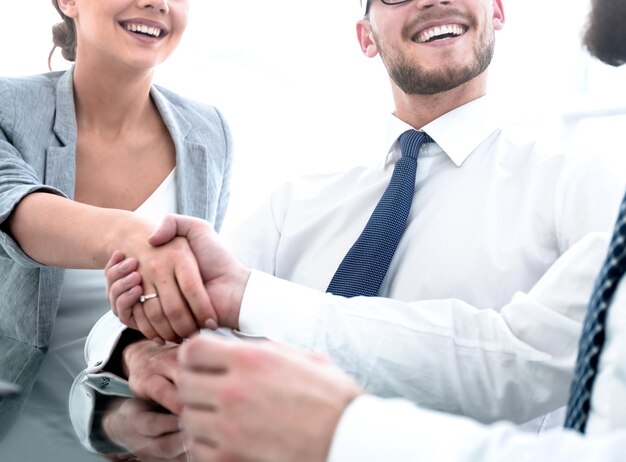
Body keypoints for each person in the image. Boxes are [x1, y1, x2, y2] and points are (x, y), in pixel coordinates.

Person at [75, 0, 625, 451]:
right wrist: (134, 352)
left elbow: (520, 364)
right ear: (366, 38)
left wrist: (248, 296)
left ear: (497, 11)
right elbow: (118, 322)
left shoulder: (582, 184)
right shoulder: (297, 203)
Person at [0, 0, 232, 457]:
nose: (157, 4)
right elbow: (15, 208)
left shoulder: (210, 132)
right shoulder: (7, 106)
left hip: (133, 435)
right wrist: (129, 236)